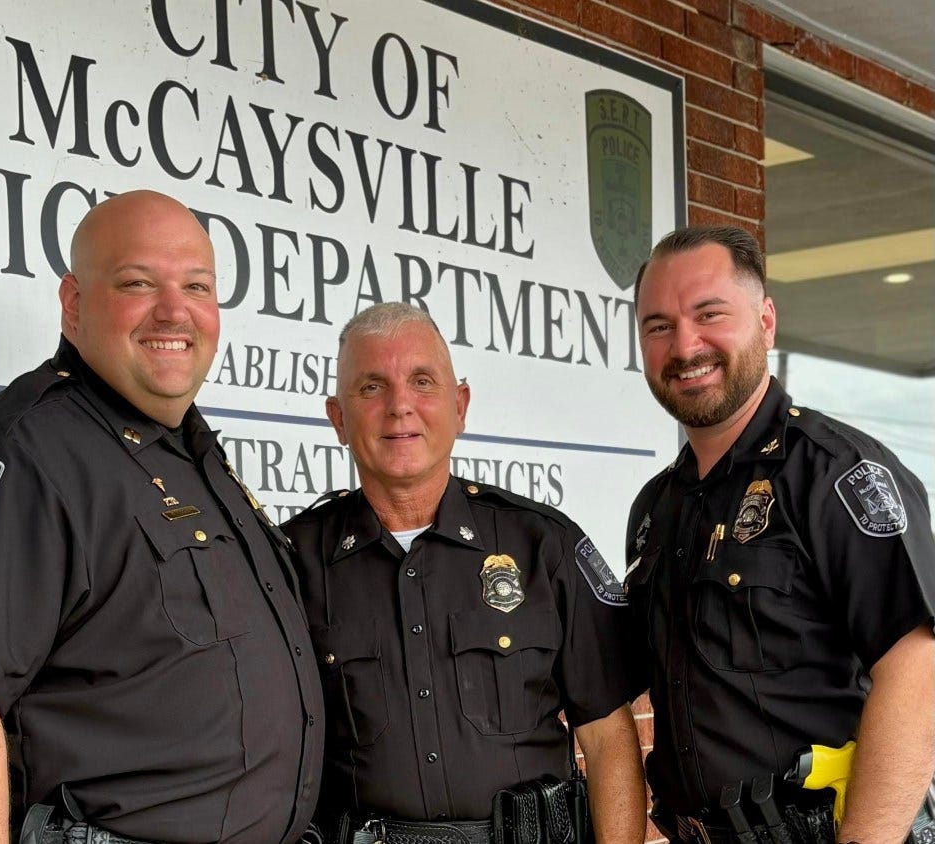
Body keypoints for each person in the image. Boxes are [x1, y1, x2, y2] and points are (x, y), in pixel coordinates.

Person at [0, 190, 324, 844]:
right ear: (74, 305)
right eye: (137, 282)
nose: (174, 310)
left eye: (197, 285)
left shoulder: (186, 452)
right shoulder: (28, 453)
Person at [283, 302, 647, 844]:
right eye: (372, 387)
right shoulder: (291, 562)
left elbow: (606, 734)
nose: (399, 406)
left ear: (460, 406)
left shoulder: (542, 545)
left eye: (422, 382)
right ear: (338, 418)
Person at [626, 225, 935, 843]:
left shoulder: (837, 475)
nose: (685, 345)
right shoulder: (655, 509)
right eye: (659, 325)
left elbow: (917, 670)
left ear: (765, 321)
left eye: (709, 313)